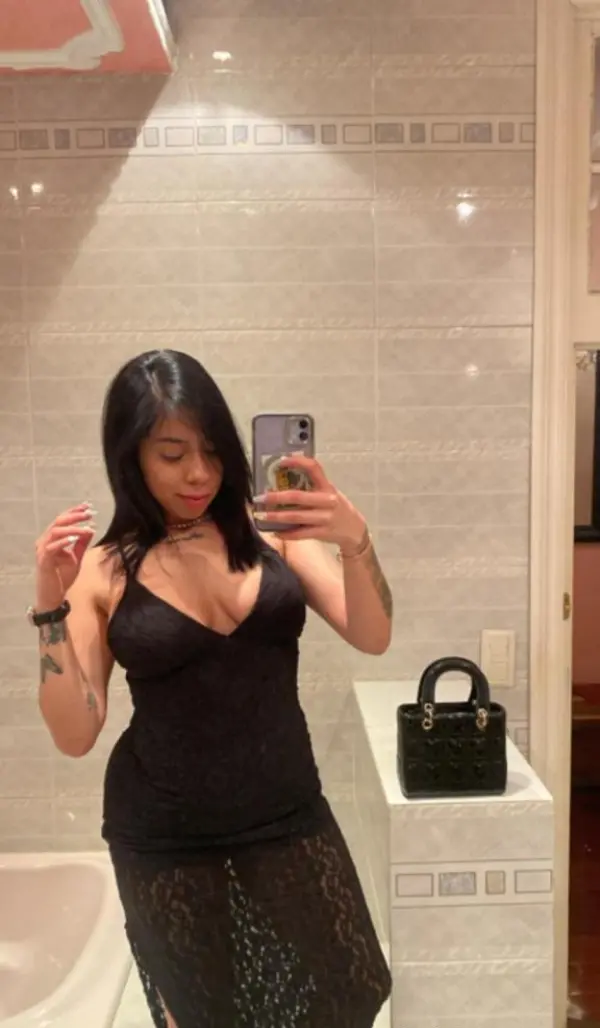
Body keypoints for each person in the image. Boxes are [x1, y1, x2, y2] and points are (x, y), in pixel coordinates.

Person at [33, 349, 393, 1028]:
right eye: (172, 454)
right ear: (131, 457)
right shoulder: (104, 570)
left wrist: (354, 538)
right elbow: (75, 734)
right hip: (164, 837)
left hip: (288, 814)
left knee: (349, 993)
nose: (199, 473)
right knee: (207, 1017)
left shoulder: (274, 535)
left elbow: (371, 634)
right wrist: (50, 605)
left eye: (212, 450)